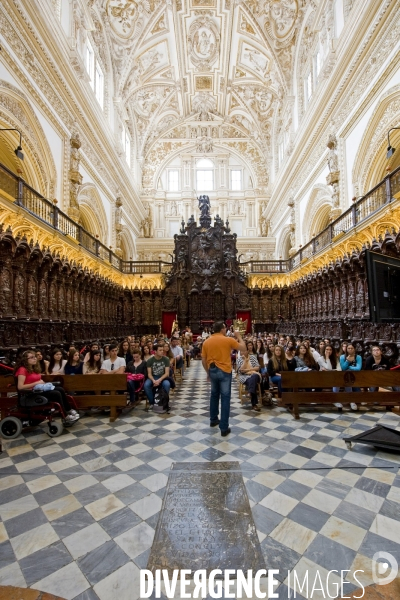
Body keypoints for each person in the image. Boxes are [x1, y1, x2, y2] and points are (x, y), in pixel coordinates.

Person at [202, 321, 246, 436]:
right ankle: (224, 427)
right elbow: (243, 348)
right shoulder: (228, 340)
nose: (226, 330)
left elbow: (203, 360)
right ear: (222, 329)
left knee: (214, 395)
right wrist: (239, 336)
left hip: (212, 370)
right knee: (225, 397)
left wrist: (208, 373)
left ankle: (213, 419)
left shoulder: (206, 341)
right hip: (225, 371)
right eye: (225, 328)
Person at [14, 351, 79, 423]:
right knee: (56, 393)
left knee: (60, 389)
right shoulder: (22, 369)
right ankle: (65, 416)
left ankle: (69, 409)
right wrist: (36, 383)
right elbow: (20, 387)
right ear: (25, 359)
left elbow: (38, 380)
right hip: (31, 393)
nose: (35, 359)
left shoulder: (33, 368)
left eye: (35, 357)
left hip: (39, 389)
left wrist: (42, 383)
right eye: (32, 357)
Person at [237, 346, 262, 411]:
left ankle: (250, 393)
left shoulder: (253, 357)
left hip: (255, 375)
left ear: (247, 351)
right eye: (241, 351)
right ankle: (254, 404)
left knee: (254, 377)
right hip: (244, 376)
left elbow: (257, 367)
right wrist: (245, 361)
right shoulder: (239, 359)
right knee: (252, 382)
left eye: (244, 351)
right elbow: (241, 370)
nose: (242, 352)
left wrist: (249, 370)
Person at [340, 343, 362, 409]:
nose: (350, 350)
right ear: (346, 349)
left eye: (352, 348)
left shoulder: (358, 357)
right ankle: (351, 401)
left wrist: (349, 367)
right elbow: (343, 368)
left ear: (354, 349)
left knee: (358, 395)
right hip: (345, 376)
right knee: (348, 377)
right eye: (348, 348)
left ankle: (352, 400)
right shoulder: (342, 357)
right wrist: (347, 361)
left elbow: (358, 368)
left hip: (356, 376)